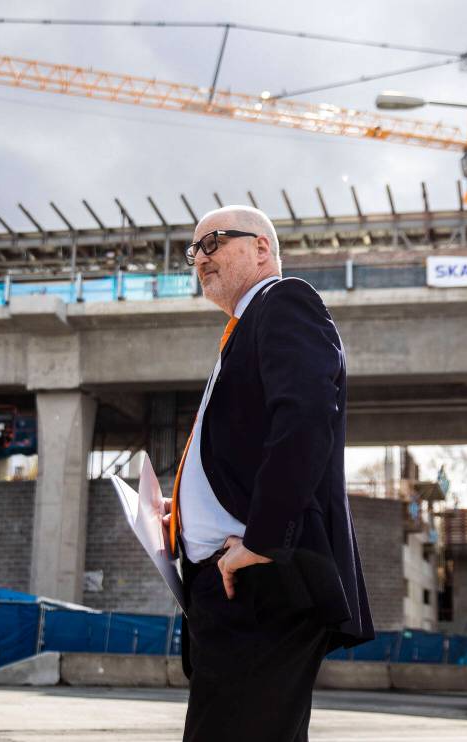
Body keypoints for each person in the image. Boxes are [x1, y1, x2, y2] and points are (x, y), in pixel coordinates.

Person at [162, 205, 373, 742]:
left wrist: (263, 539)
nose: (200, 258)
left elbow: (304, 418)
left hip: (260, 579)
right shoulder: (242, 329)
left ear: (261, 248)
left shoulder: (284, 301)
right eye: (194, 250)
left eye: (214, 243)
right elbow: (244, 449)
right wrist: (184, 511)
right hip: (236, 583)